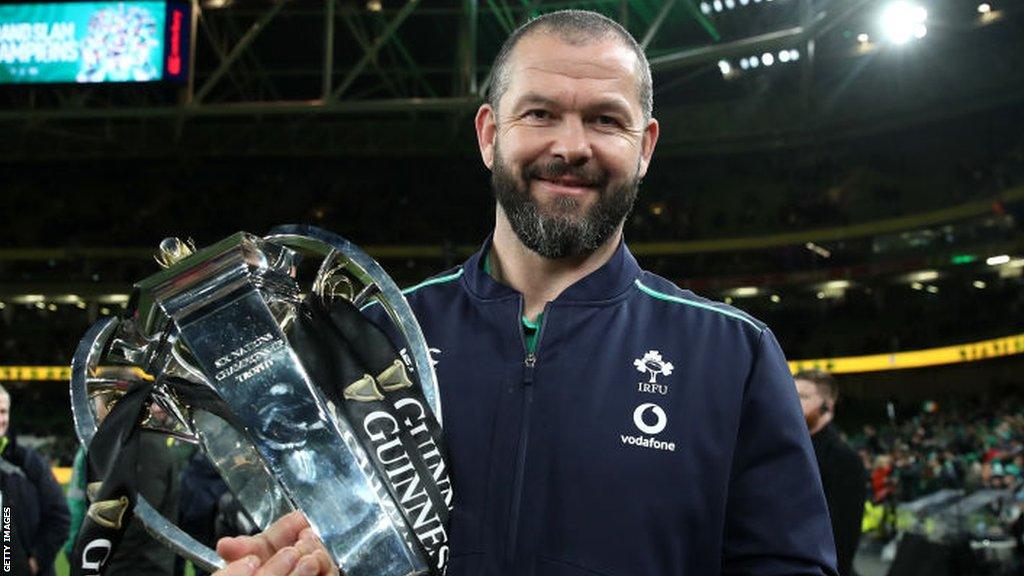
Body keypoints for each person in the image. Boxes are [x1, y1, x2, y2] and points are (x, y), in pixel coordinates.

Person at [214, 9, 837, 576]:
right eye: (539, 114)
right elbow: (312, 529)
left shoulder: (733, 355)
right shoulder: (374, 335)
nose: (571, 147)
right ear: (489, 135)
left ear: (645, 147)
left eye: (605, 120)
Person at [795, 369, 868, 576]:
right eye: (790, 395)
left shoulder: (845, 460)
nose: (793, 402)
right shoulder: (788, 449)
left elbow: (843, 541)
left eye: (803, 396)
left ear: (827, 405)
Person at [0, 385, 71, 576]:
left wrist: (36, 560)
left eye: (3, 412)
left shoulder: (29, 462)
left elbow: (60, 517)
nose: (1, 419)